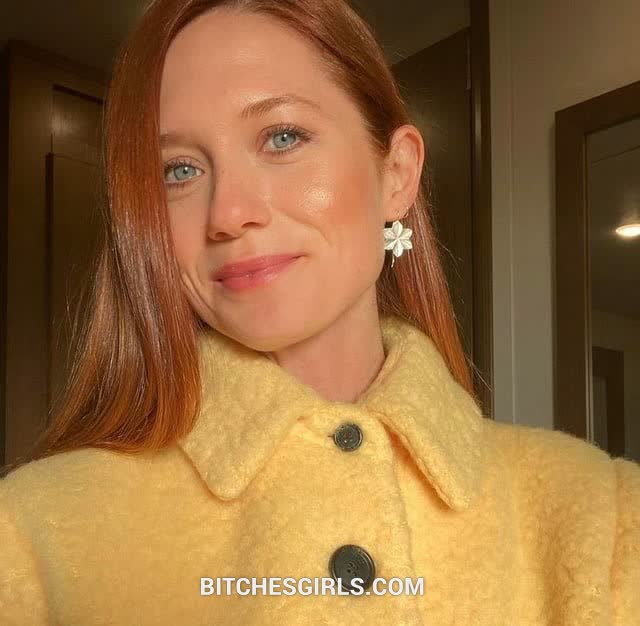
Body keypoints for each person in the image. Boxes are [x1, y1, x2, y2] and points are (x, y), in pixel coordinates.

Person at [1, 0, 638, 624]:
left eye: (283, 137)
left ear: (397, 174)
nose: (228, 214)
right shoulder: (29, 541)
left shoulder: (605, 519)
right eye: (179, 170)